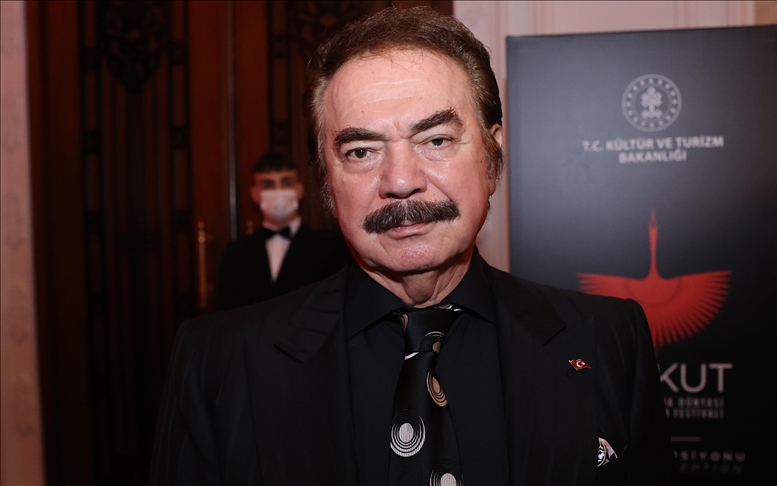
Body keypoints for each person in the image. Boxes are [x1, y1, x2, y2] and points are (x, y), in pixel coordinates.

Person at [150, 7, 675, 486]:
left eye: (436, 140)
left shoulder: (607, 339)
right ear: (326, 181)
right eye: (361, 150)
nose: (400, 181)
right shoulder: (219, 364)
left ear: (492, 158)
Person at [215, 151, 347, 310]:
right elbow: (226, 313)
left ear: (299, 189)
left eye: (286, 182)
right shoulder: (235, 253)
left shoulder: (330, 248)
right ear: (255, 194)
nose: (278, 191)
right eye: (268, 184)